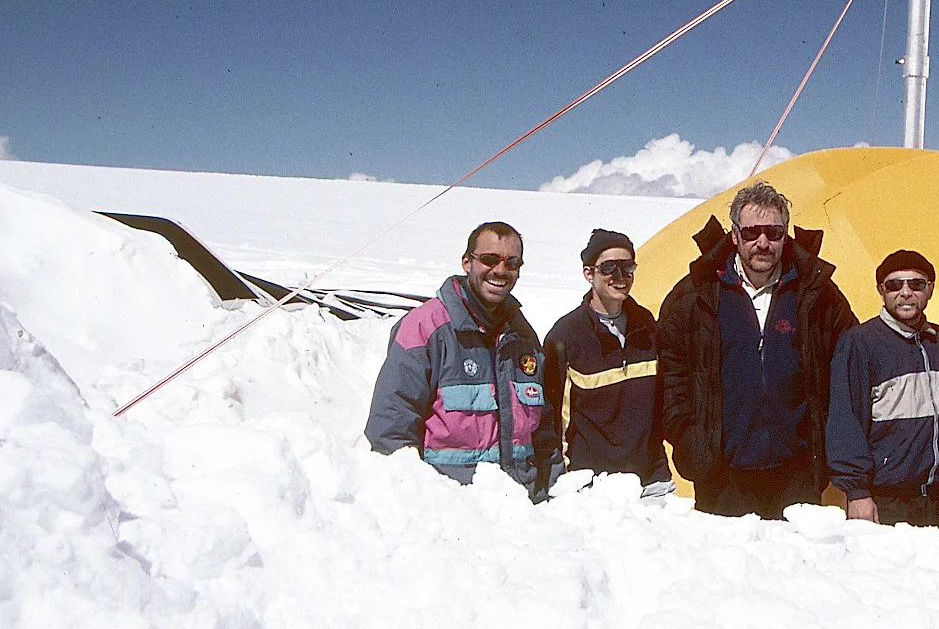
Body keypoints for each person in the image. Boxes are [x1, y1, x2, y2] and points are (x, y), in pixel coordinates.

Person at [657, 181, 858, 519]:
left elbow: (849, 370)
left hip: (797, 474)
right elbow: (672, 377)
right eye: (751, 233)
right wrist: (690, 440)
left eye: (773, 232)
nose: (762, 243)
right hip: (722, 476)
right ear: (734, 235)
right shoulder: (696, 295)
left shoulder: (818, 294)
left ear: (786, 234)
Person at [364, 221, 558, 501]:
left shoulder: (522, 336)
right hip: (451, 513)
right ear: (467, 262)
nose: (500, 271)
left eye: (511, 263)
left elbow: (543, 433)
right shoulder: (424, 329)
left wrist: (551, 493)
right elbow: (390, 433)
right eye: (489, 259)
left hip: (522, 512)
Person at [827, 249, 939, 531]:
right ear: (881, 291)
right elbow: (845, 423)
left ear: (930, 289)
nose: (906, 292)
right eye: (895, 285)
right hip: (886, 500)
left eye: (916, 284)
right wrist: (857, 492)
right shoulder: (860, 343)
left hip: (938, 500)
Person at [540, 229, 672, 494]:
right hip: (592, 488)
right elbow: (552, 417)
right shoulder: (566, 335)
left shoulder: (647, 326)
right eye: (609, 268)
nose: (620, 277)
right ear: (589, 274)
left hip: (651, 482)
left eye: (627, 267)